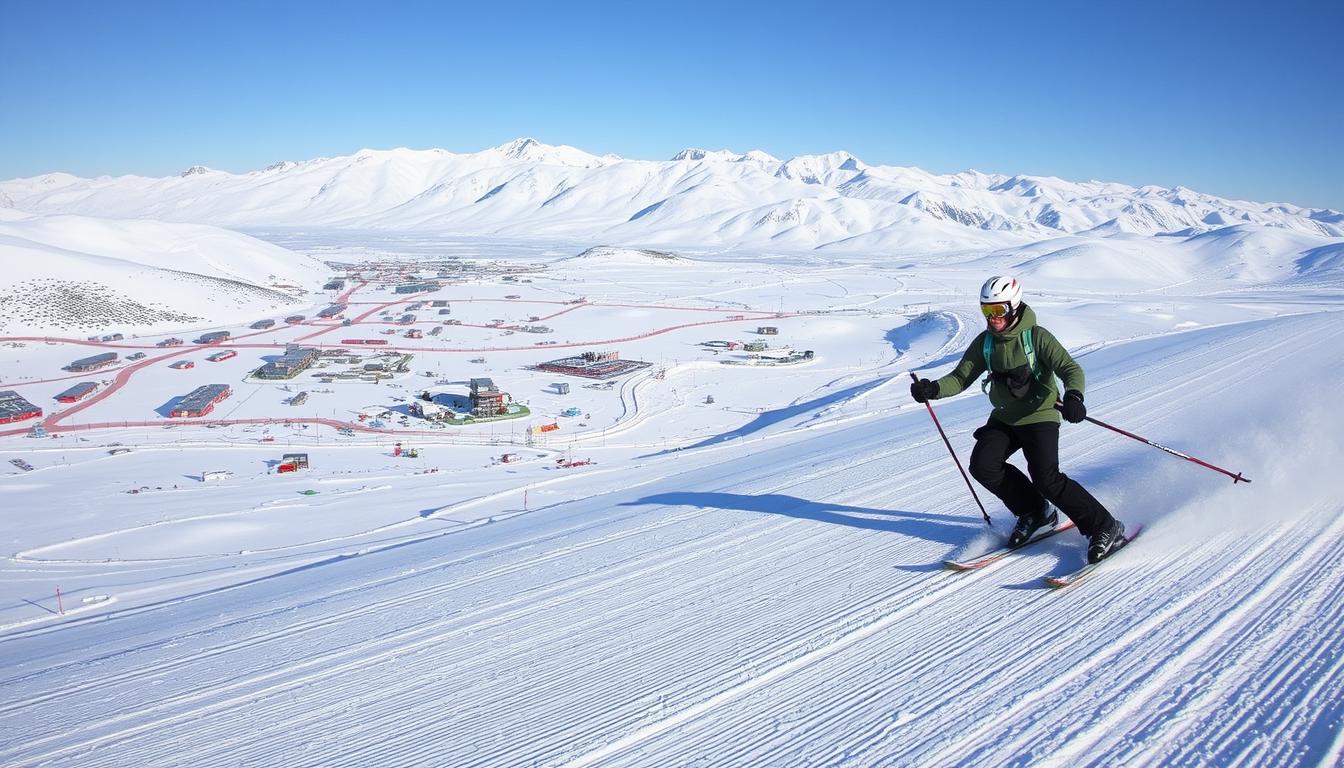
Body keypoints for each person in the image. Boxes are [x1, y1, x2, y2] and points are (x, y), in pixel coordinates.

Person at [910, 276, 1127, 563]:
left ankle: (1105, 527)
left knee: (1047, 478)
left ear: (1013, 307)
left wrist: (1074, 397)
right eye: (987, 311)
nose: (993, 318)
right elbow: (961, 377)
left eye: (998, 310)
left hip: (1040, 415)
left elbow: (1070, 369)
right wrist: (933, 389)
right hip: (1005, 416)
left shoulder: (1036, 337)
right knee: (984, 466)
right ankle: (1036, 512)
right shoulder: (985, 342)